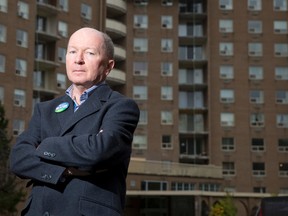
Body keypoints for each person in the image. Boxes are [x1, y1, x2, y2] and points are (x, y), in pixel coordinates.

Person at [9, 27, 140, 216]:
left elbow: (99, 151)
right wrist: (64, 172)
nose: (78, 59)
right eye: (72, 51)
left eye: (89, 53)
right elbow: (18, 159)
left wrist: (45, 145)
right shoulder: (44, 109)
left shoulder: (120, 107)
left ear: (109, 66)